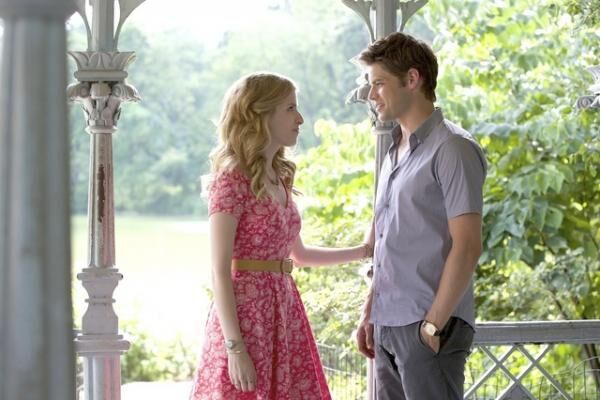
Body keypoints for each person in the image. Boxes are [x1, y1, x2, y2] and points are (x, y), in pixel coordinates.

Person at [189, 72, 372, 400]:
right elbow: (219, 271)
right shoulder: (231, 180)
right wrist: (235, 348)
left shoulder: (280, 178)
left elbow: (299, 256)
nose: (300, 119)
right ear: (260, 114)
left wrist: (364, 250)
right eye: (290, 108)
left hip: (284, 312)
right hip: (247, 318)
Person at [354, 32, 487, 400]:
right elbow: (387, 244)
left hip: (428, 328)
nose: (371, 94)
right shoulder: (393, 151)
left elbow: (467, 245)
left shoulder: (453, 149)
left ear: (412, 79)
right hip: (387, 325)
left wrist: (431, 326)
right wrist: (370, 312)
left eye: (379, 83)